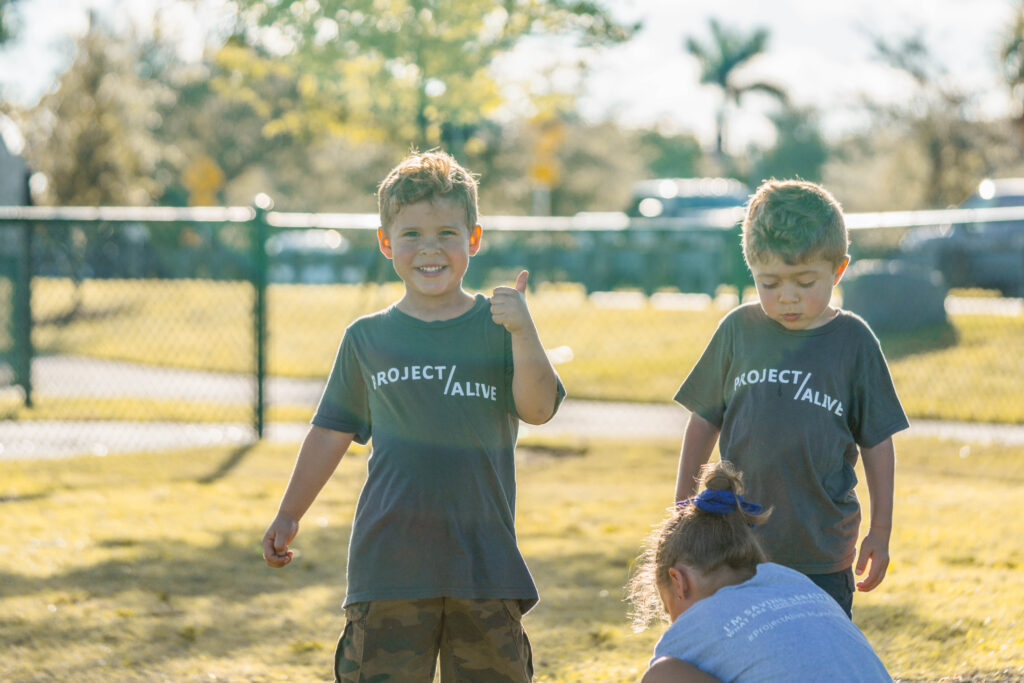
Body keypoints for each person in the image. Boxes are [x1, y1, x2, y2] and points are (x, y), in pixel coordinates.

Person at [261, 150, 565, 682]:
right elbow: (330, 431)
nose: (430, 248)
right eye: (411, 235)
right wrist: (289, 513)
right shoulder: (367, 338)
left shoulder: (498, 329)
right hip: (389, 569)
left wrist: (524, 331)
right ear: (385, 243)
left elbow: (538, 410)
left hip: (484, 564)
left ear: (473, 239)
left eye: (447, 233)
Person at [673, 179, 909, 617]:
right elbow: (703, 421)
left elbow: (877, 442)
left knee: (816, 654)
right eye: (770, 283)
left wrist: (881, 529)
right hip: (737, 548)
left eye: (804, 282)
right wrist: (683, 507)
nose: (786, 296)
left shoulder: (854, 342)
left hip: (822, 551)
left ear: (838, 270)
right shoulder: (738, 331)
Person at [629, 461, 891, 683]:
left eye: (669, 609)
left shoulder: (692, 627)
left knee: (662, 675)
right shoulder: (796, 582)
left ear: (679, 582)